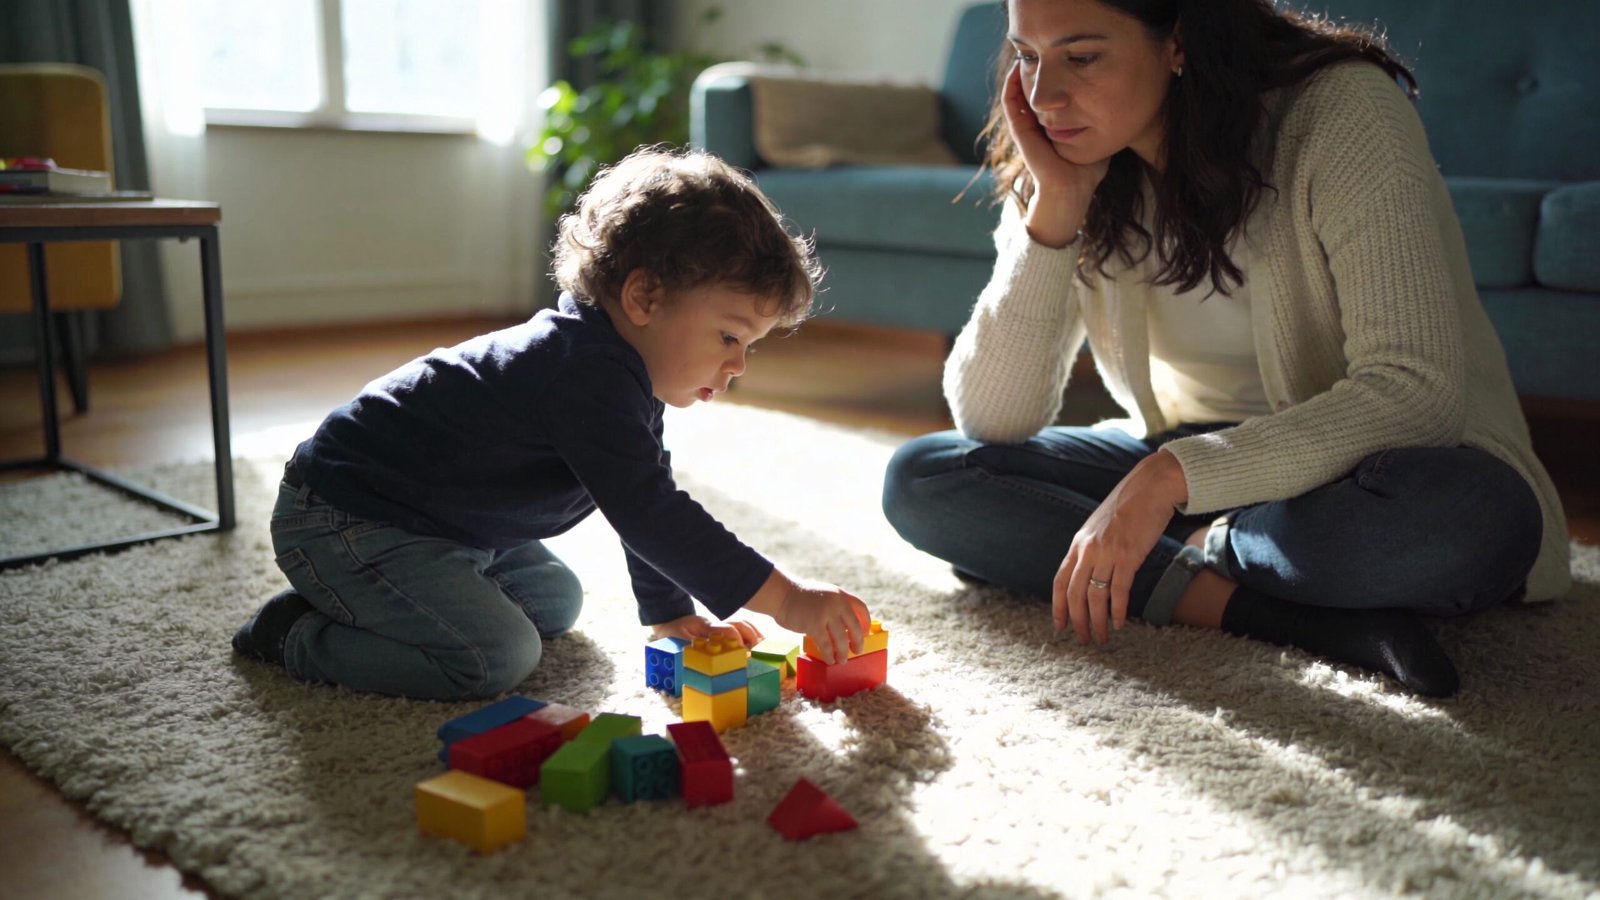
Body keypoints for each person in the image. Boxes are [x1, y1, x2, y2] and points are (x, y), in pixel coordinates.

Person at [881, 0, 1570, 697]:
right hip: (1194, 461)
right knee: (929, 479)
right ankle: (1284, 613)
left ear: (1178, 39)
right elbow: (994, 419)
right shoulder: (1059, 147)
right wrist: (1055, 209)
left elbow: (1416, 392)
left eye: (1082, 57)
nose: (1043, 94)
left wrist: (1168, 483)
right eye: (1026, 56)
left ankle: (1199, 550)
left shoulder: (1342, 112)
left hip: (1369, 465)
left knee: (1473, 520)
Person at [233, 147, 871, 701]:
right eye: (730, 335)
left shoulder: (624, 371)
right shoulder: (581, 372)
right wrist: (787, 600)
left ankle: (369, 604)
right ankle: (294, 634)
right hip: (348, 516)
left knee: (553, 602)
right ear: (644, 297)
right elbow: (652, 513)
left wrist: (670, 612)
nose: (737, 365)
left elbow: (636, 501)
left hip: (447, 524)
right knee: (493, 656)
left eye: (749, 346)